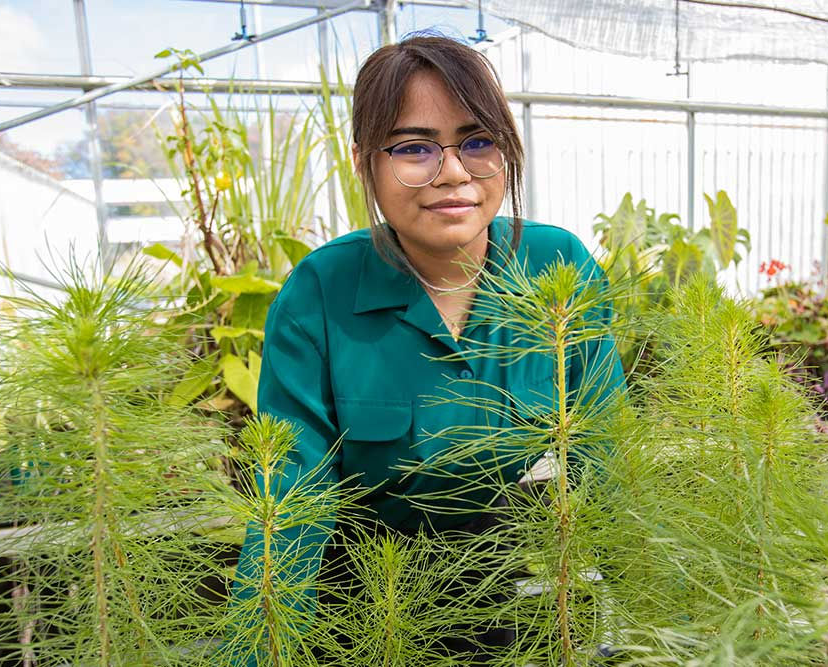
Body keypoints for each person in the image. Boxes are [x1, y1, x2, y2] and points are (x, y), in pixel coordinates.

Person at [233, 33, 625, 664]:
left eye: (478, 141)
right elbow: (293, 501)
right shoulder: (320, 295)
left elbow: (605, 457)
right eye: (414, 148)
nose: (453, 173)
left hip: (521, 594)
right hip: (369, 610)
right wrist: (257, 650)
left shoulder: (559, 267)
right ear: (364, 162)